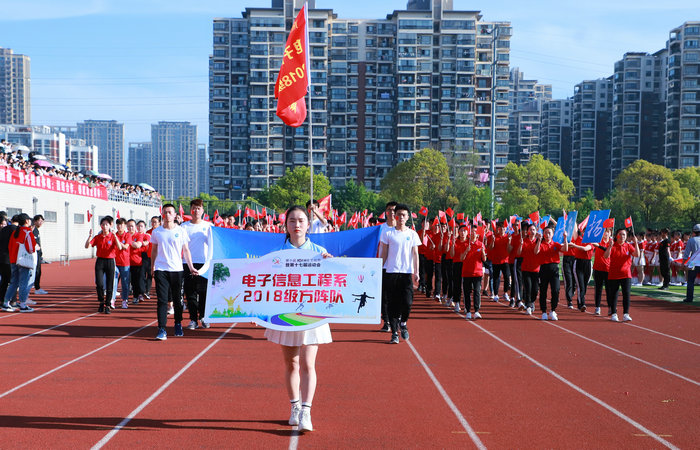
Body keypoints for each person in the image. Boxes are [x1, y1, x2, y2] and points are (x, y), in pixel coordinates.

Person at [264, 205, 332, 432]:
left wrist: (329, 264)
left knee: (308, 363)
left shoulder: (319, 251)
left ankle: (306, 410)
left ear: (308, 224)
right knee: (291, 362)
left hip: (313, 314)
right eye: (292, 221)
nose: (297, 225)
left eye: (301, 220)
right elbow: (265, 285)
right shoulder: (276, 255)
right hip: (285, 315)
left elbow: (332, 283)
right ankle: (294, 407)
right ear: (286, 226)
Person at [150, 204, 198, 340]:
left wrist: (191, 266)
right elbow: (154, 250)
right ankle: (162, 329)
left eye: (169, 212)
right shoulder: (157, 232)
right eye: (164, 212)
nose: (167, 214)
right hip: (161, 269)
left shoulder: (181, 231)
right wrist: (152, 267)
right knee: (162, 300)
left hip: (177, 269)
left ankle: (178, 323)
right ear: (162, 214)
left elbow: (186, 250)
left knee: (178, 300)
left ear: (175, 214)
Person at [378, 203, 421, 344]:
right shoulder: (388, 233)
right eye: (399, 214)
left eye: (404, 215)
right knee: (393, 305)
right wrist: (378, 267)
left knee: (407, 302)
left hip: (406, 273)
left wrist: (417, 271)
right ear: (395, 216)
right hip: (391, 272)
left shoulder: (412, 234)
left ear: (408, 217)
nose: (401, 217)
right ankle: (394, 333)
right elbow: (383, 253)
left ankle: (403, 323)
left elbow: (415, 254)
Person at [181, 198, 214, 330]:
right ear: (190, 210)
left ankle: (204, 317)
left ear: (203, 210)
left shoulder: (208, 226)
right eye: (194, 208)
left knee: (204, 292)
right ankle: (193, 319)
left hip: (204, 263)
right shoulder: (184, 226)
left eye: (198, 208)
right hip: (188, 263)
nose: (196, 210)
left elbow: (213, 244)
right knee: (190, 293)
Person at [85, 216, 126, 314]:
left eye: (106, 224)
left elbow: (120, 247)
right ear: (101, 226)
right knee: (99, 284)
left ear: (110, 226)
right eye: (103, 224)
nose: (104, 226)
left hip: (110, 261)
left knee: (110, 284)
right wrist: (89, 236)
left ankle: (108, 304)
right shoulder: (98, 237)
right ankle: (101, 301)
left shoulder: (112, 236)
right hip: (100, 261)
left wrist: (115, 236)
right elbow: (87, 246)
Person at [604, 228, 640, 322]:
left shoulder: (628, 246)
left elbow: (637, 254)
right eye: (621, 234)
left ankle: (626, 314)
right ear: (617, 236)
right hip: (614, 274)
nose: (623, 236)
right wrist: (610, 247)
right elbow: (606, 256)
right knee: (614, 295)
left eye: (624, 235)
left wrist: (636, 243)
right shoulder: (613, 246)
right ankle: (614, 314)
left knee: (626, 294)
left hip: (626, 274)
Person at [2, 213, 36, 312]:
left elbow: (10, 246)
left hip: (13, 259)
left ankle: (6, 302)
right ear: (26, 221)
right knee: (23, 283)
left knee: (13, 282)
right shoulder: (27, 232)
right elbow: (30, 248)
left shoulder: (15, 232)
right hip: (23, 260)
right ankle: (23, 304)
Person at [458, 225, 487, 320]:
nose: (473, 233)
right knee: (467, 292)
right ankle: (468, 310)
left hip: (477, 272)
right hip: (466, 272)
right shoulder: (465, 244)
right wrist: (466, 251)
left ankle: (477, 311)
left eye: (475, 231)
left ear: (478, 234)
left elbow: (484, 259)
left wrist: (483, 253)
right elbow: (461, 258)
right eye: (472, 232)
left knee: (477, 292)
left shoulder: (481, 244)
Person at [377, 201, 397, 332]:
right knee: (383, 296)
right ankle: (387, 321)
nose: (392, 213)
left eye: (394, 210)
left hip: (397, 267)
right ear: (386, 212)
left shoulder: (401, 230)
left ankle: (396, 319)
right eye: (389, 210)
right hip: (382, 266)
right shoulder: (379, 229)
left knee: (395, 296)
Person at [517, 222, 540, 315]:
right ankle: (528, 305)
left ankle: (532, 301)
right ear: (528, 232)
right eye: (530, 230)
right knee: (528, 287)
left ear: (536, 231)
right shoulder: (524, 241)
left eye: (534, 229)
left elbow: (537, 252)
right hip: (526, 268)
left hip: (536, 269)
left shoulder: (538, 241)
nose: (532, 231)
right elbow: (518, 253)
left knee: (535, 289)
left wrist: (539, 240)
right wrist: (521, 244)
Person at [114, 218, 135, 309]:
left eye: (121, 225)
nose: (119, 227)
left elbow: (126, 247)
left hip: (125, 262)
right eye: (118, 225)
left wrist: (117, 241)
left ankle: (124, 300)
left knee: (125, 283)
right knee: (113, 282)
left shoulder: (127, 235)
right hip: (114, 262)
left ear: (124, 226)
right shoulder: (114, 235)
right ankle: (112, 299)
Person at [488, 222, 511, 305]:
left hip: (505, 260)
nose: (502, 230)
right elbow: (490, 248)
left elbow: (509, 250)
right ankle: (496, 294)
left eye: (504, 228)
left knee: (507, 277)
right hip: (496, 261)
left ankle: (505, 293)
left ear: (505, 229)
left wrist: (509, 241)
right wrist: (493, 241)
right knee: (496, 278)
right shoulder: (494, 237)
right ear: (498, 229)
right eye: (500, 228)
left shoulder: (507, 237)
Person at [590, 228, 612, 315]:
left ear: (610, 233)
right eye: (604, 232)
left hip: (608, 269)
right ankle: (597, 307)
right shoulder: (598, 241)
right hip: (598, 268)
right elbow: (593, 243)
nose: (606, 234)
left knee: (608, 290)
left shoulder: (612, 243)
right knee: (598, 289)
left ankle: (610, 307)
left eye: (608, 232)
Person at [0, 214, 18, 305]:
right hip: (10, 258)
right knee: (13, 281)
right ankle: (12, 301)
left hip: (2, 258)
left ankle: (2, 300)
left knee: (4, 281)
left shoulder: (3, 230)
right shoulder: (15, 230)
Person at [127, 219, 145, 304]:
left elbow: (138, 245)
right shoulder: (125, 235)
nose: (130, 228)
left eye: (132, 226)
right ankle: (129, 296)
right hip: (125, 262)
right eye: (129, 226)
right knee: (128, 280)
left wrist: (128, 241)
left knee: (136, 280)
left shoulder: (139, 235)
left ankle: (137, 295)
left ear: (135, 227)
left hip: (137, 262)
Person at [683, 224, 700, 303]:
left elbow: (686, 254)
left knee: (690, 280)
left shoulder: (691, 240)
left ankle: (689, 298)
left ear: (694, 232)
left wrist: (684, 264)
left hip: (694, 262)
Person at [32, 214, 48, 295]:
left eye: (42, 221)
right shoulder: (33, 230)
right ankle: (36, 288)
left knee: (38, 271)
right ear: (35, 221)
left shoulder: (36, 230)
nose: (41, 223)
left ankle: (37, 287)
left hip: (38, 254)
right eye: (40, 221)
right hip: (33, 254)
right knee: (36, 272)